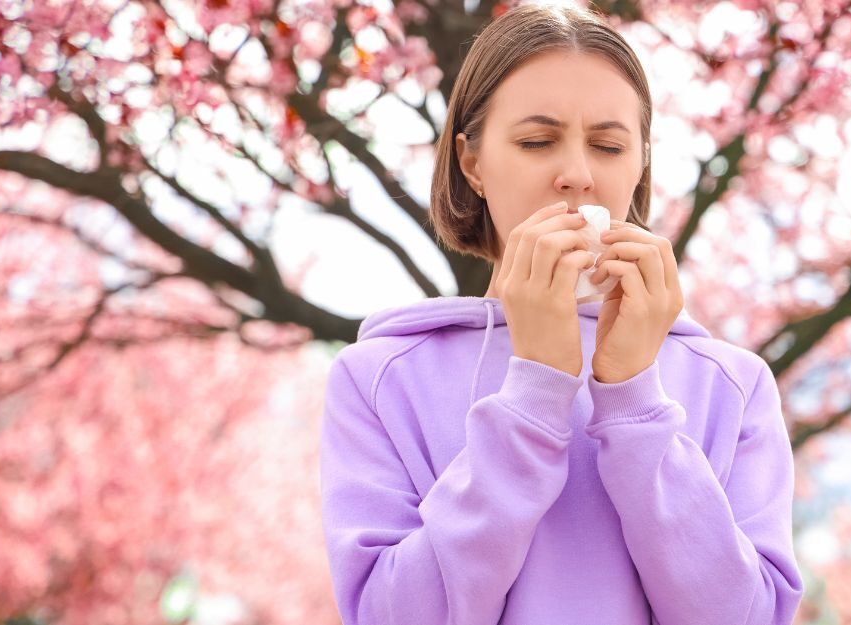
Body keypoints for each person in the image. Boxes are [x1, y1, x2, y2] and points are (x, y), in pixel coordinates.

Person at [319, 4, 804, 624]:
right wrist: (534, 390)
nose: (576, 175)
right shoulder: (379, 377)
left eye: (607, 145)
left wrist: (633, 398)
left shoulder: (732, 384)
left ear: (641, 164)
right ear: (472, 163)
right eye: (536, 141)